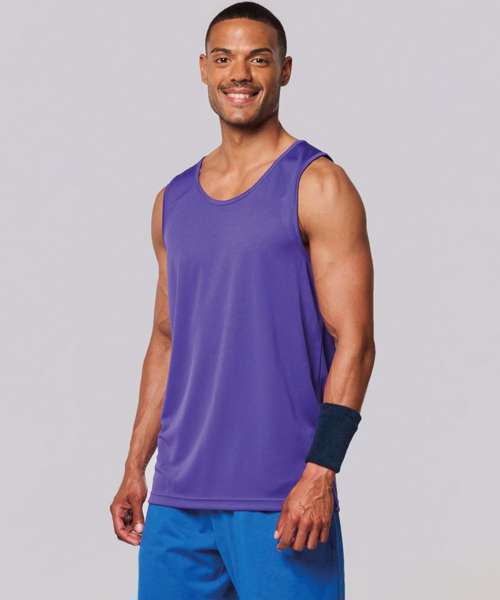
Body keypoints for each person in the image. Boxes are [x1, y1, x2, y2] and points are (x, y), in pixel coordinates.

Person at [110, 2, 375, 598]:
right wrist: (135, 467)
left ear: (285, 70)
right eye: (224, 59)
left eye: (258, 59)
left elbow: (355, 342)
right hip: (178, 500)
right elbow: (166, 339)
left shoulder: (318, 184)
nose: (240, 74)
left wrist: (321, 471)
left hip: (281, 496)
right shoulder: (172, 200)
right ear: (204, 68)